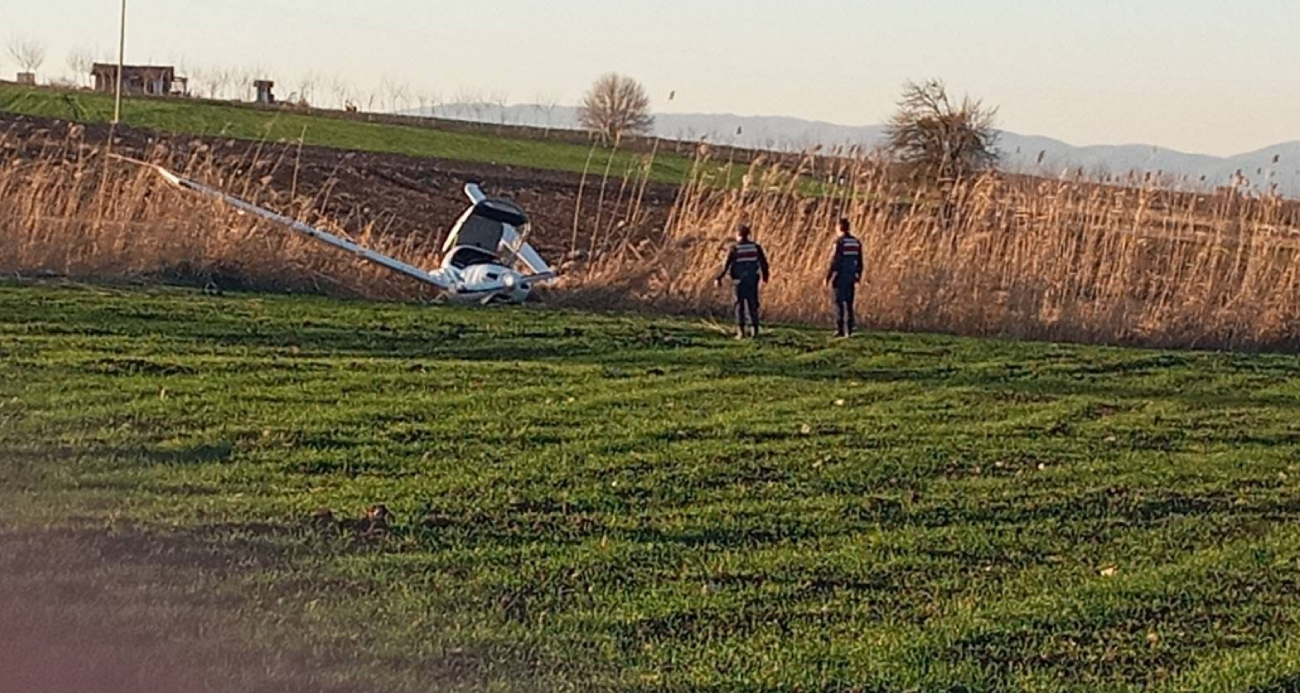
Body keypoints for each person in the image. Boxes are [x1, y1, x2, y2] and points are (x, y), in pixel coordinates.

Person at [715, 224, 770, 339]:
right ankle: (755, 330)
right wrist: (765, 276)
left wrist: (719, 277)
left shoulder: (734, 248)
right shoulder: (756, 247)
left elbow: (726, 265)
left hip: (738, 281)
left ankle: (741, 332)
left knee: (739, 305)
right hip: (752, 279)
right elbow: (763, 263)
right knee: (752, 304)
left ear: (738, 235)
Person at [825, 218, 863, 338]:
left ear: (839, 228)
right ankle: (850, 329)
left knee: (839, 303)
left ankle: (840, 329)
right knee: (849, 303)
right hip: (851, 276)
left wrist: (828, 276)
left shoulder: (839, 242)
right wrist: (858, 274)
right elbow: (860, 261)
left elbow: (834, 261)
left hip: (840, 276)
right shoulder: (856, 242)